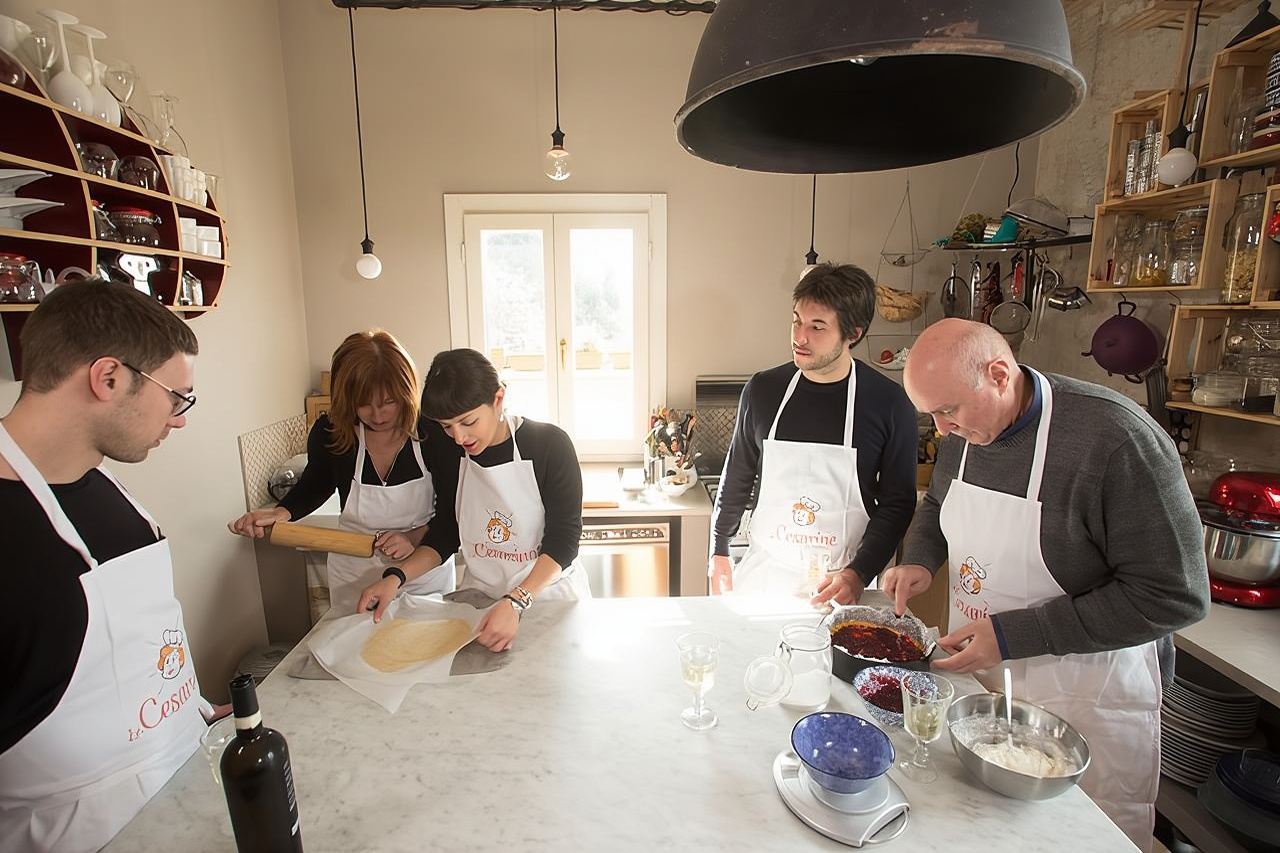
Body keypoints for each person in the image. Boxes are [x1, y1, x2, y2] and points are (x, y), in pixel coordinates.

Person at [880, 318, 1209, 851]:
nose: (940, 429)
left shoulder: (1116, 439)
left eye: (947, 411)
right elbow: (939, 502)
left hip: (1082, 702)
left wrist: (1013, 636)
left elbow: (1176, 594)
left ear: (998, 374)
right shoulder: (967, 430)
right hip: (981, 684)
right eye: (931, 415)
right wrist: (920, 558)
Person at [0, 279, 216, 852]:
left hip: (187, 790)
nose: (179, 419)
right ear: (108, 378)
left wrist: (188, 710)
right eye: (178, 398)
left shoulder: (111, 495)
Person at [710, 262, 918, 603]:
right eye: (796, 321)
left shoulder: (889, 403)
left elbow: (897, 504)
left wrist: (859, 573)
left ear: (854, 333)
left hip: (841, 584)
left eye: (817, 327)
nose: (799, 337)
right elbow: (737, 475)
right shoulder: (763, 391)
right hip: (765, 577)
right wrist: (718, 546)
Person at [358, 348, 590, 651]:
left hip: (548, 600)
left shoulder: (548, 445)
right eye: (446, 426)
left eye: (468, 422)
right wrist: (395, 578)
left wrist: (516, 601)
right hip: (482, 603)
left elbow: (564, 542)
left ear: (498, 399)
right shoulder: (454, 452)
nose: (458, 437)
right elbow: (445, 533)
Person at [228, 330, 460, 613]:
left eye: (389, 402)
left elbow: (453, 514)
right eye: (364, 403)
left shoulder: (435, 432)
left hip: (424, 567)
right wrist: (280, 513)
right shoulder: (330, 431)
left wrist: (412, 537)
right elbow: (317, 482)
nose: (377, 415)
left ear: (407, 390)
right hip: (355, 572)